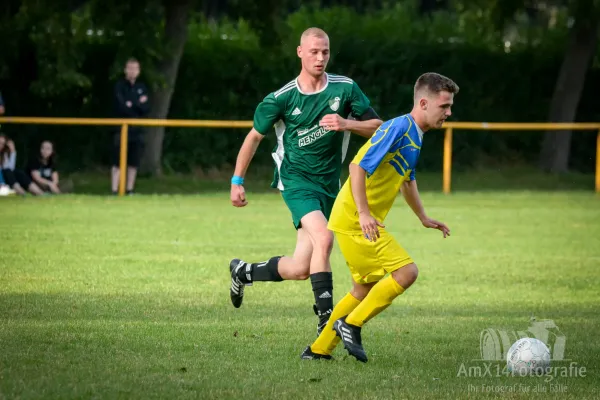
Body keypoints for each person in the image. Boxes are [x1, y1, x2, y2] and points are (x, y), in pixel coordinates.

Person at [228, 27, 383, 335]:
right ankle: (326, 321)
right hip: (295, 180)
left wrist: (346, 123)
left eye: (325, 51)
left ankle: (243, 272)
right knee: (324, 239)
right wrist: (237, 180)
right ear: (300, 52)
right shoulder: (282, 98)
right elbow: (254, 137)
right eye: (313, 51)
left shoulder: (345, 89)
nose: (320, 57)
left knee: (301, 267)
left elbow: (378, 126)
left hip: (329, 184)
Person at [300, 72, 459, 362]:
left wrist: (423, 217)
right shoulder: (397, 128)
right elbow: (356, 167)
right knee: (407, 272)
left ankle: (318, 350)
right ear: (424, 102)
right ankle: (350, 324)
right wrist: (363, 214)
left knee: (363, 288)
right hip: (354, 217)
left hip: (353, 217)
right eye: (444, 106)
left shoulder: (416, 135)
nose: (448, 113)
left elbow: (407, 180)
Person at [111, 57, 150, 195]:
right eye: (130, 68)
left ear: (139, 71)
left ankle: (130, 189)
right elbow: (121, 107)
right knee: (117, 161)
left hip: (137, 129)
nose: (132, 71)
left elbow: (146, 108)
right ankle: (115, 190)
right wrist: (137, 103)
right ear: (125, 70)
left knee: (133, 162)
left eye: (135, 68)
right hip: (121, 129)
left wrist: (132, 103)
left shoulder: (142, 87)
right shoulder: (119, 86)